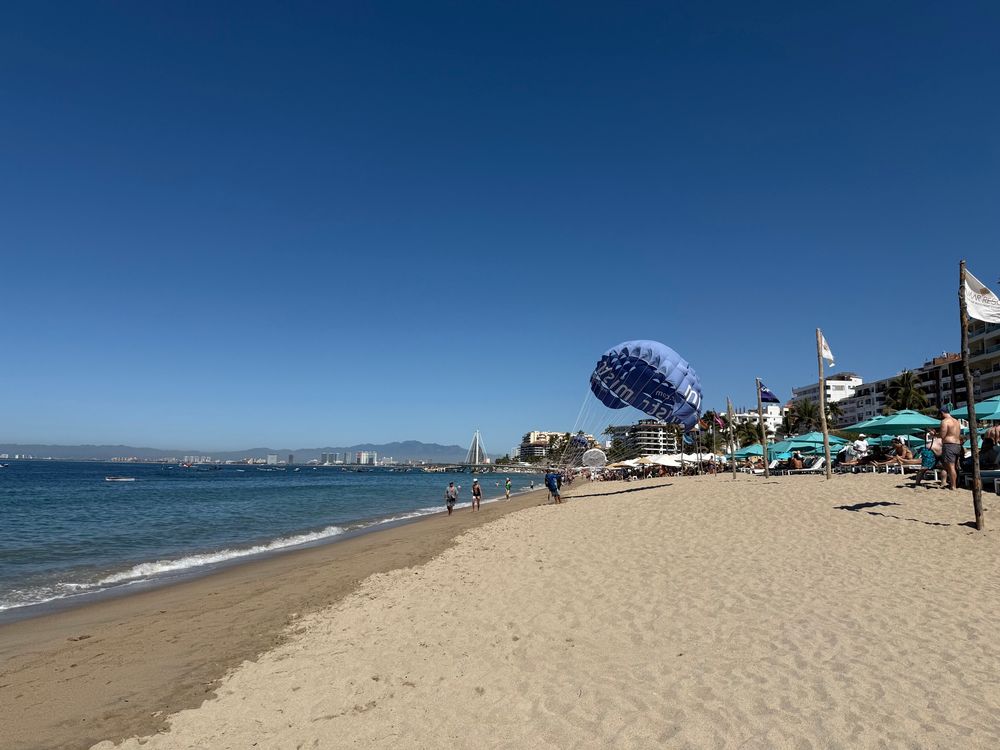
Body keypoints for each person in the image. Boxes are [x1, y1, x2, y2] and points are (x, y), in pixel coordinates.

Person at [939, 406, 962, 490]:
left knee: (951, 467)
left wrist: (934, 434)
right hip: (958, 445)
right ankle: (955, 484)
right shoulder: (956, 421)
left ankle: (953, 486)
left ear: (942, 413)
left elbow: (942, 435)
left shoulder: (945, 422)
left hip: (949, 444)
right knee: (955, 466)